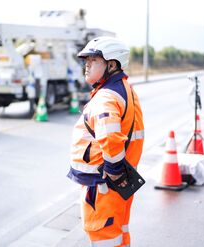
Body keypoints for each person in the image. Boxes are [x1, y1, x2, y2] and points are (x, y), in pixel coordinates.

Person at [67, 37, 145, 246]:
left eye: (94, 60)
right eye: (87, 60)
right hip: (117, 186)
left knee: (105, 238)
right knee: (119, 234)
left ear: (112, 64)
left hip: (103, 186)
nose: (87, 65)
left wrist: (113, 171)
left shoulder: (106, 97)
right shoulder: (124, 88)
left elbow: (110, 137)